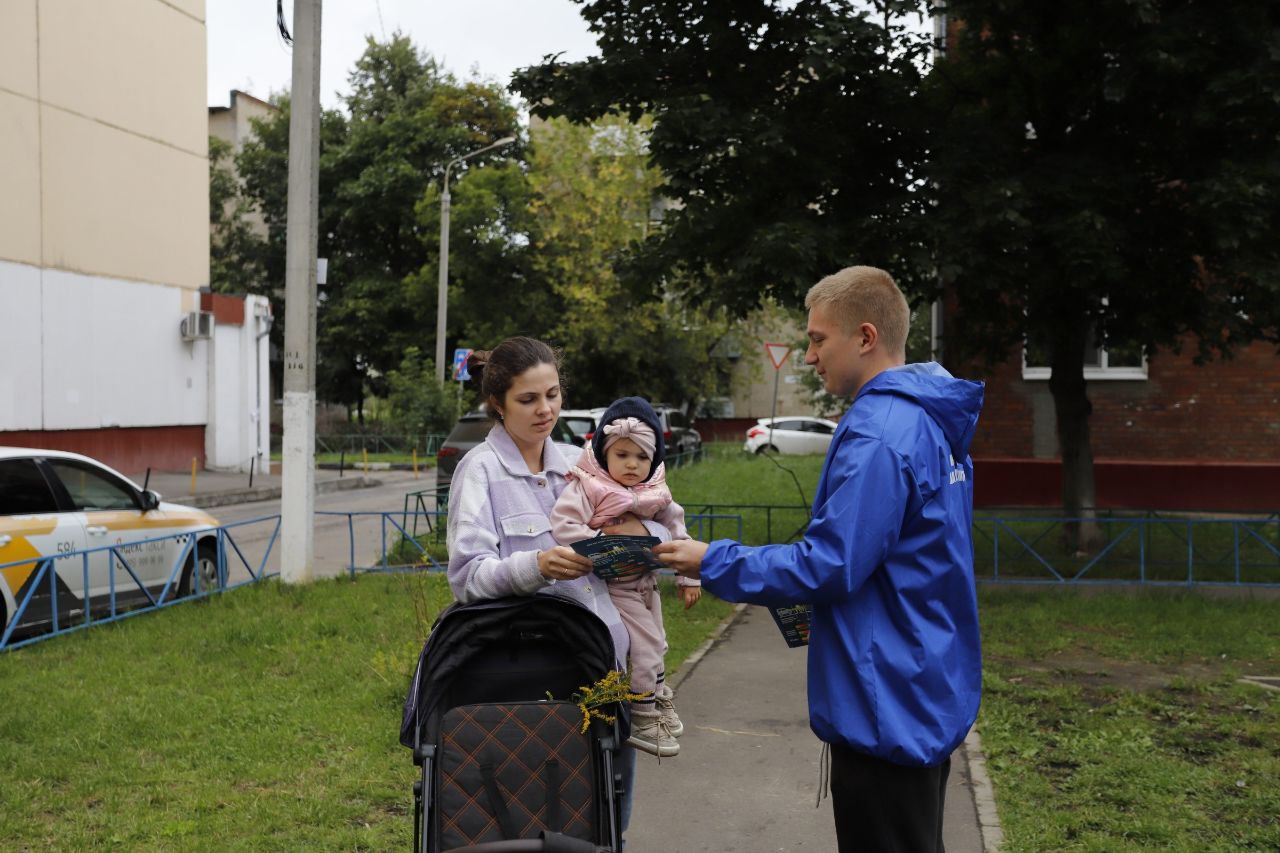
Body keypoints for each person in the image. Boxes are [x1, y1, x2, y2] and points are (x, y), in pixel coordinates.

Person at [655, 266, 984, 852]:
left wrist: (713, 559)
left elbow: (829, 564)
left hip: (887, 699)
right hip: (916, 682)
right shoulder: (921, 419)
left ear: (864, 337)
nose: (808, 356)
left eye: (816, 339)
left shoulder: (882, 432)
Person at [445, 336, 671, 837]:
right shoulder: (479, 471)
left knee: (609, 825)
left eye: (552, 394)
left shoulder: (581, 461)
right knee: (539, 821)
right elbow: (467, 577)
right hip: (534, 682)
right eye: (528, 399)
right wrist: (538, 566)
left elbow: (657, 518)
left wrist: (639, 539)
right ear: (497, 403)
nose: (545, 409)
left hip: (610, 669)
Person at [550, 396, 702, 758]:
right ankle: (644, 715)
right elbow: (563, 523)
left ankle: (658, 696)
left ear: (654, 460)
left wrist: (689, 578)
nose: (632, 465)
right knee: (647, 648)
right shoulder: (590, 486)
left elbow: (678, 531)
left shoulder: (656, 491)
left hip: (646, 583)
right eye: (622, 455)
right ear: (605, 455)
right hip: (616, 583)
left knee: (659, 641)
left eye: (642, 457)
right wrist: (601, 543)